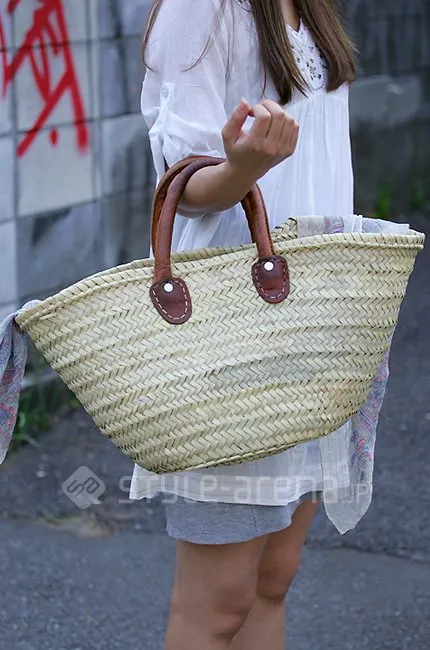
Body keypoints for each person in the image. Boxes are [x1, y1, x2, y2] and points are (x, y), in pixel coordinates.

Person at [131, 1, 357, 648]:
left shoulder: (309, 6)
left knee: (274, 579)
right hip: (236, 331)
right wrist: (245, 168)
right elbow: (181, 180)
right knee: (218, 602)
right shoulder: (204, 7)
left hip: (316, 317)